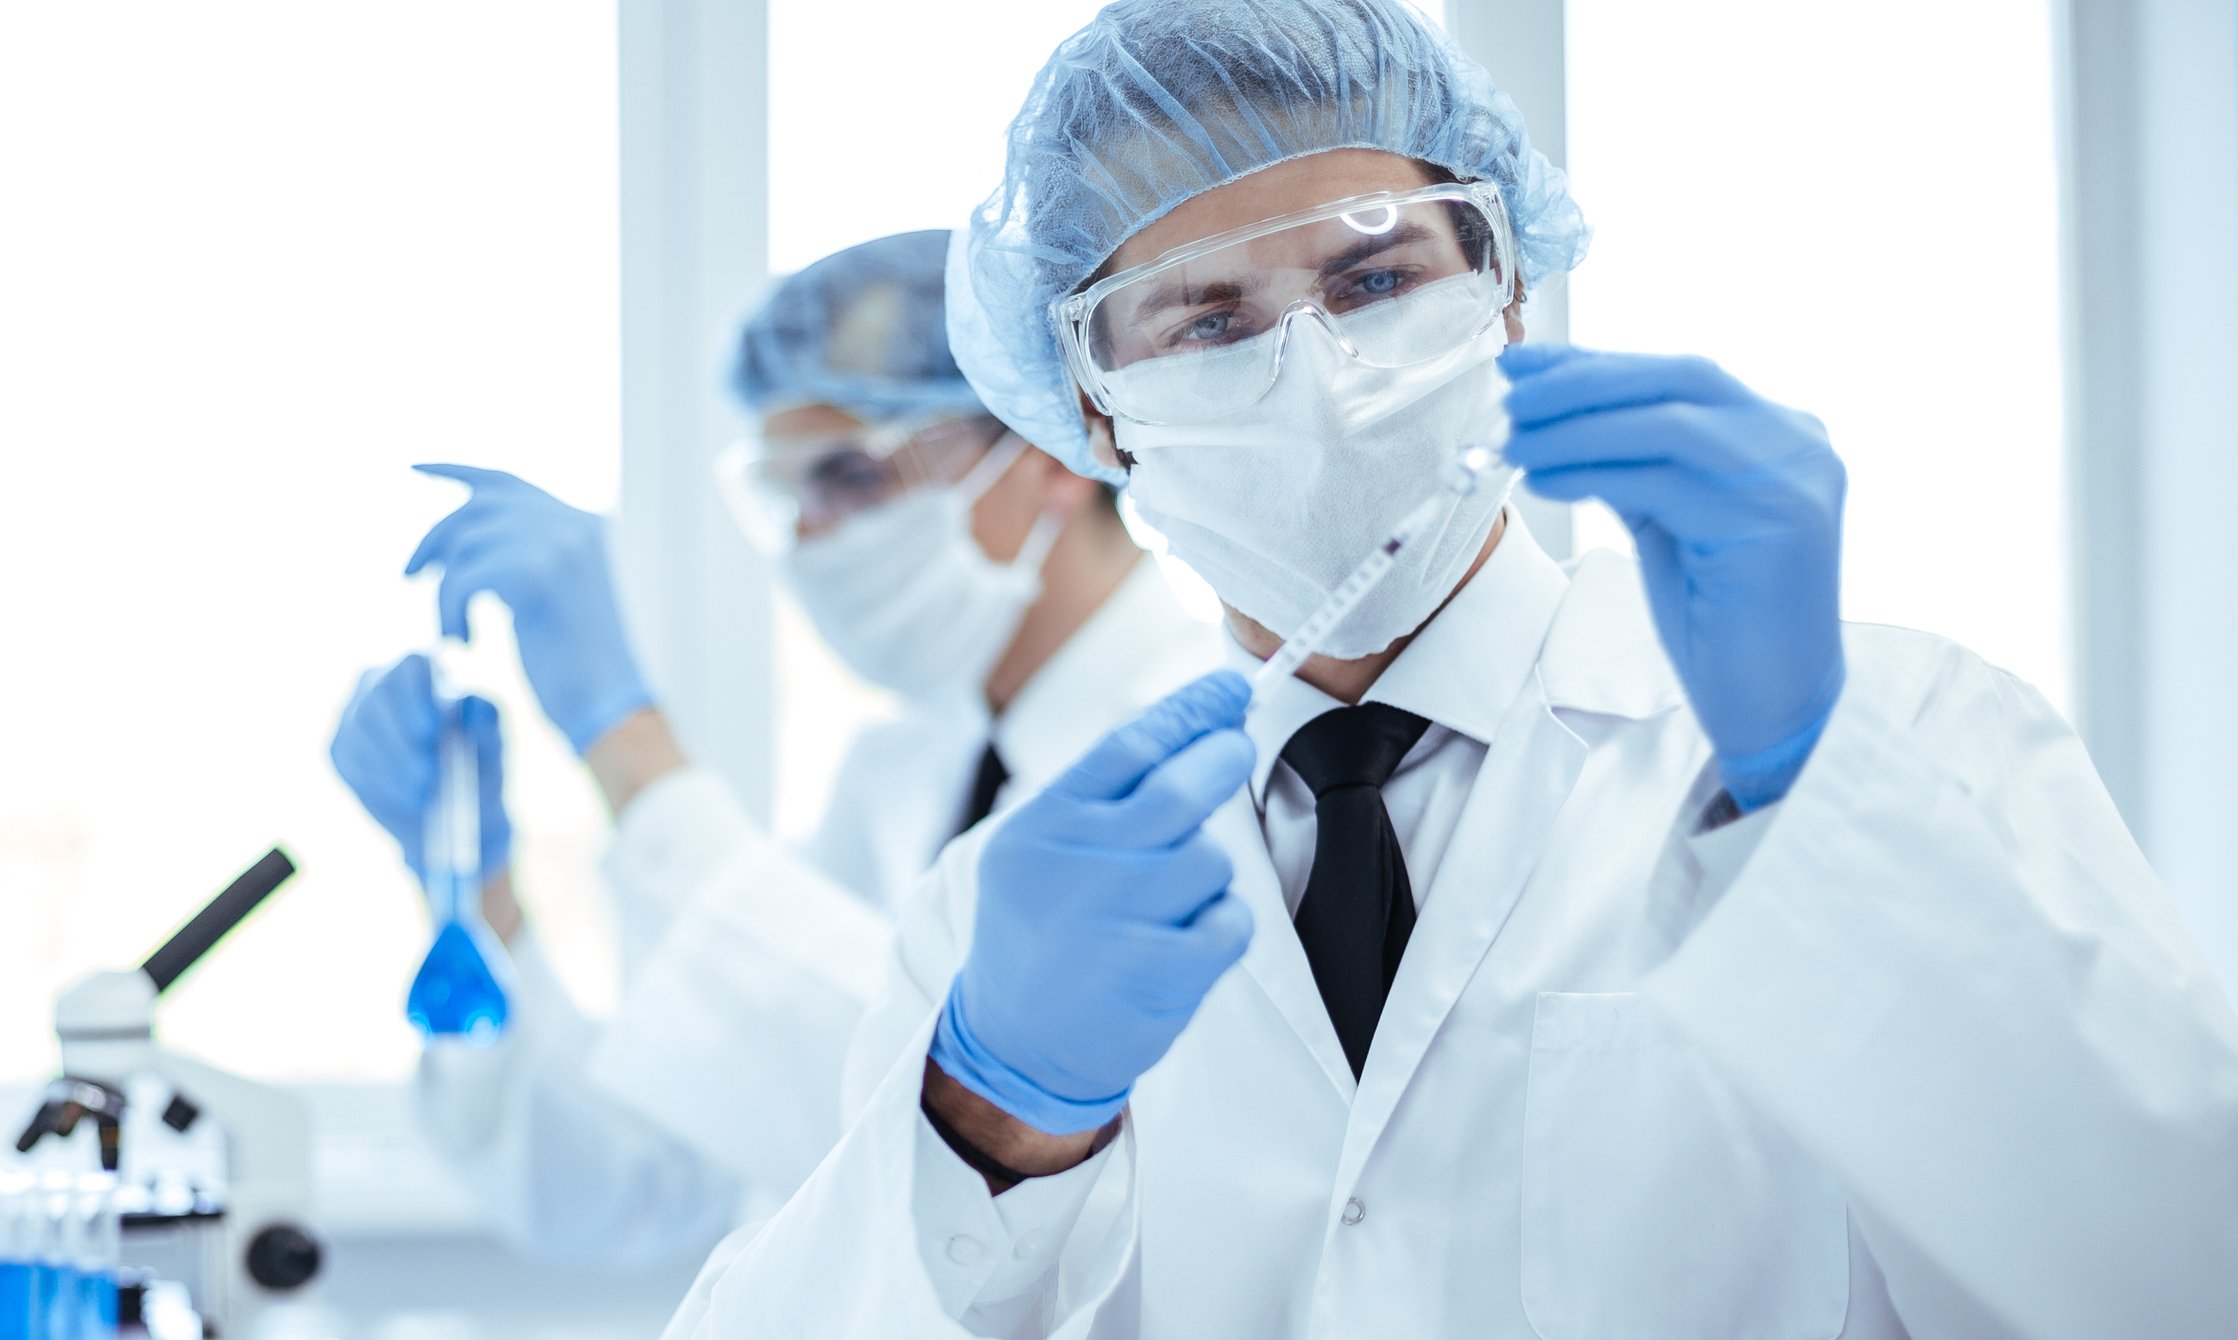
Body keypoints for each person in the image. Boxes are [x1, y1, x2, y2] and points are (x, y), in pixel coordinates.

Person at [660, 3, 2238, 1337]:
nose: (1312, 366)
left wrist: (1812, 801)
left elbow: (2174, 1274)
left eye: (1372, 280)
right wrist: (987, 1121)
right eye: (1206, 319)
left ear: (1507, 288)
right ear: (1089, 414)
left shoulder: (1896, 732)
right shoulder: (1010, 917)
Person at [326, 230, 1221, 1263]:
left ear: (1048, 446)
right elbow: (656, 1182)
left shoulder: (1210, 762)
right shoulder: (902, 771)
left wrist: (629, 745)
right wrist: (476, 898)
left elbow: (955, 1125)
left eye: (850, 474)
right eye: (787, 494)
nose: (810, 537)